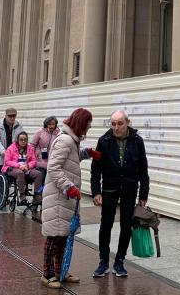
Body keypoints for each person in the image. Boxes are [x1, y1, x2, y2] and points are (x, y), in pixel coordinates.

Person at [40, 108, 101, 290]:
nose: (88, 128)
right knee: (53, 238)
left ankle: (61, 271)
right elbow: (54, 167)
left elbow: (70, 159)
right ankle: (47, 274)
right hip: (58, 198)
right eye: (87, 125)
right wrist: (69, 187)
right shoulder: (65, 140)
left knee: (63, 238)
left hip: (65, 199)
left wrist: (86, 153)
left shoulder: (71, 140)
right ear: (81, 124)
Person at [91, 109, 150, 278]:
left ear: (127, 123)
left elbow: (143, 169)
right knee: (106, 225)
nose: (116, 127)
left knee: (126, 225)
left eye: (120, 124)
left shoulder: (137, 141)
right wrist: (96, 191)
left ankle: (119, 261)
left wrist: (143, 195)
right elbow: (96, 169)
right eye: (113, 124)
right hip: (109, 188)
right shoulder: (104, 141)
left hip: (130, 188)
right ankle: (103, 261)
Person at [2, 131, 43, 204]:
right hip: (13, 168)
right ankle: (22, 196)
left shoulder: (30, 148)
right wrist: (19, 166)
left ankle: (37, 196)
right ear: (17, 140)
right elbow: (7, 161)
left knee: (39, 174)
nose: (23, 141)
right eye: (21, 139)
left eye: (25, 139)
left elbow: (34, 161)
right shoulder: (10, 148)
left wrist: (27, 166)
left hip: (26, 168)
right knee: (20, 173)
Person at [0, 108, 23, 172]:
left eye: (14, 116)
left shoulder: (18, 125)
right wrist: (4, 152)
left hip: (14, 158)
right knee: (1, 177)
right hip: (1, 158)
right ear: (5, 116)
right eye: (10, 116)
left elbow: (21, 138)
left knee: (13, 177)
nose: (12, 118)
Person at [30, 116, 60, 186]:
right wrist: (33, 157)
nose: (51, 126)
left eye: (53, 124)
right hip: (40, 161)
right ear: (46, 124)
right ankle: (37, 195)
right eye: (49, 124)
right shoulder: (40, 132)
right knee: (41, 178)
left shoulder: (59, 134)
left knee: (49, 183)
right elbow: (32, 145)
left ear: (56, 124)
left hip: (52, 162)